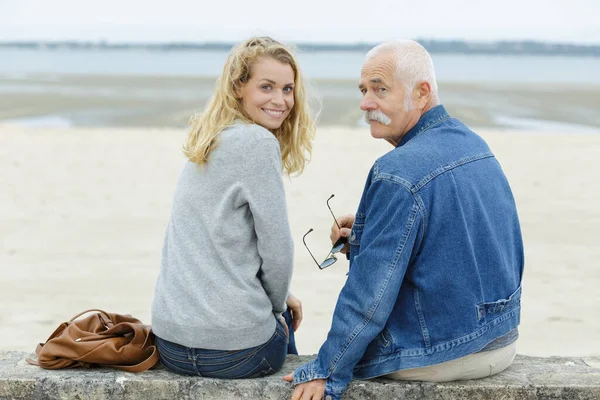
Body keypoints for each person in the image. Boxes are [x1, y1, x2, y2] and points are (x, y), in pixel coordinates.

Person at [284, 40, 524, 400]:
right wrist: (367, 236)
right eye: (364, 90)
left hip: (442, 353)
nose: (366, 103)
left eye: (380, 89)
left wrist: (326, 371)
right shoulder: (476, 145)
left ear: (422, 92)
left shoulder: (395, 172)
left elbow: (369, 296)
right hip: (502, 340)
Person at [151, 36, 315, 379]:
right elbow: (278, 251)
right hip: (231, 354)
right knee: (282, 322)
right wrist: (276, 306)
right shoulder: (257, 142)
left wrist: (280, 298)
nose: (280, 100)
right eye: (266, 87)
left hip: (170, 345)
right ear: (238, 87)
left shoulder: (209, 138)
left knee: (279, 310)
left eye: (287, 89)